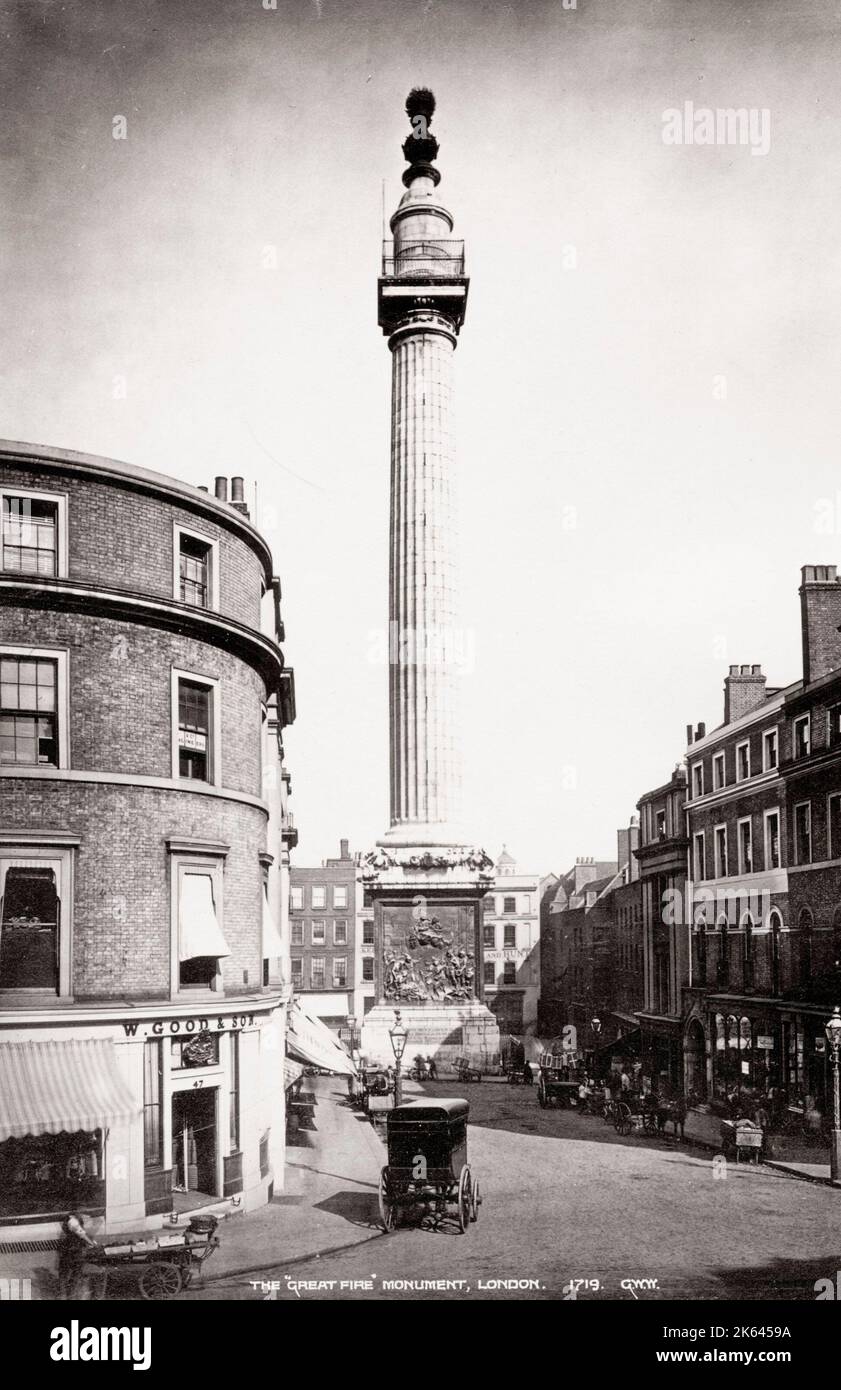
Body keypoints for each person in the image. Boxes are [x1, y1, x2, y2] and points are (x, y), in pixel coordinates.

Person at [57, 1212, 98, 1300]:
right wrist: (92, 1244)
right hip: (74, 1253)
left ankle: (67, 1294)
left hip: (69, 1251)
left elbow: (81, 1234)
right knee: (73, 1274)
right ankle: (68, 1294)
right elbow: (81, 1234)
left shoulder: (72, 1220)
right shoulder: (74, 1221)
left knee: (67, 1275)